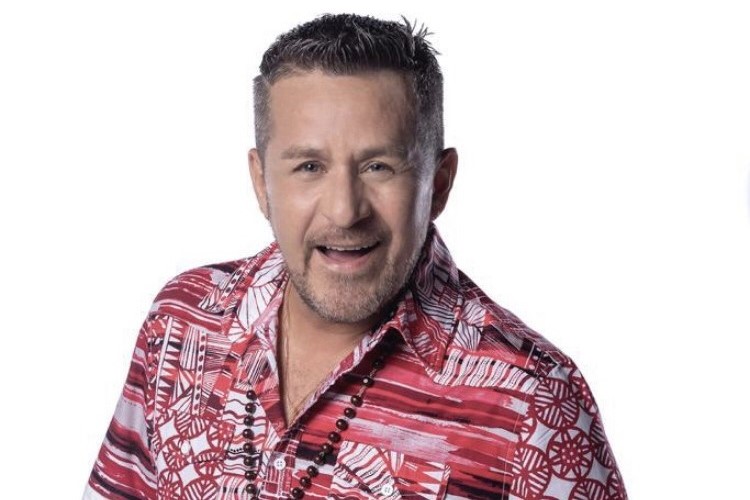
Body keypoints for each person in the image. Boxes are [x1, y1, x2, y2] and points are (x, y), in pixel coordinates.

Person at [84, 13, 627, 500]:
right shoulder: (183, 322)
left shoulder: (535, 401)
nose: (344, 212)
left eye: (378, 167)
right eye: (309, 167)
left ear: (439, 185)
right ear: (261, 182)